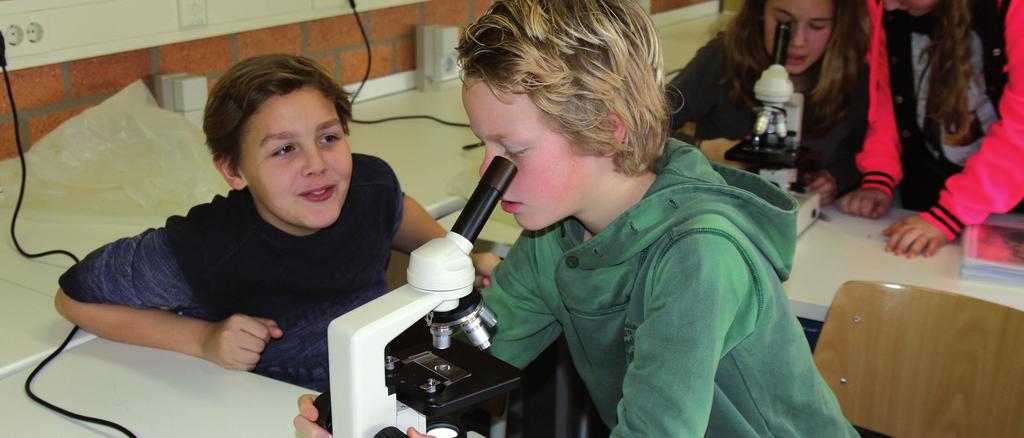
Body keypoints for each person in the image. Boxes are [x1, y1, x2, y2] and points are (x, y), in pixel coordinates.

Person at [296, 1, 856, 436]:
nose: (490, 177)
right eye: (482, 146)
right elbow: (472, 363)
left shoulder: (698, 258)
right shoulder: (553, 234)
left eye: (511, 151)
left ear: (608, 128)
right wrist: (361, 406)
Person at [54, 54, 497, 392]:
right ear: (233, 171)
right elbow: (74, 298)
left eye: (328, 137)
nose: (317, 164)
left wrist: (455, 253)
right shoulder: (207, 246)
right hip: (272, 401)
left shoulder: (367, 182)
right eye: (284, 149)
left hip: (370, 379)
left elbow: (393, 209)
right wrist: (202, 339)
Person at [838, 0, 1024, 258]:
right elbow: (884, 93)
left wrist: (951, 213)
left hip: (996, 211)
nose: (889, 6)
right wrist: (880, 173)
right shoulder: (891, 6)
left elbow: (1021, 129)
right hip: (934, 203)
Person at [666, 0, 871, 205]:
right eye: (783, 21)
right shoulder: (722, 57)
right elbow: (642, 130)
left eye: (817, 26)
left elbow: (863, 153)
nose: (798, 41)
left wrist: (836, 178)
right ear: (759, 12)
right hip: (715, 206)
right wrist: (701, 149)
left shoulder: (854, 76)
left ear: (839, 25)